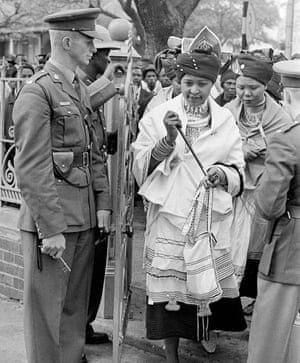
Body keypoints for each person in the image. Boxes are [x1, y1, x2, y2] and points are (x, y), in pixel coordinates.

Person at [132, 27, 246, 363]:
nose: (194, 90)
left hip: (209, 218)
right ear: (179, 82)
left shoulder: (225, 120)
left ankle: (205, 334)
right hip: (170, 218)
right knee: (170, 294)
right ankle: (171, 354)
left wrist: (221, 174)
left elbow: (237, 170)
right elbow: (140, 165)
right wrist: (167, 139)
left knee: (205, 289)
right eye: (188, 83)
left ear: (212, 86)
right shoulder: (157, 116)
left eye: (202, 84)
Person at [13, 8, 111, 363]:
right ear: (67, 41)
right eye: (88, 41)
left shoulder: (76, 87)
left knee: (73, 312)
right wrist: (50, 228)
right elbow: (31, 167)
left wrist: (103, 204)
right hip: (53, 223)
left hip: (82, 218)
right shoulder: (38, 92)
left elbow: (93, 151)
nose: (93, 47)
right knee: (46, 317)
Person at [226, 54, 292, 312]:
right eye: (241, 87)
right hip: (234, 190)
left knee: (259, 246)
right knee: (231, 244)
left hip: (265, 192)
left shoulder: (281, 117)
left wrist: (266, 148)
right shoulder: (227, 113)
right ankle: (227, 301)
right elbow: (215, 146)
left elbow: (288, 150)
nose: (246, 93)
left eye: (252, 88)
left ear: (265, 86)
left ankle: (255, 299)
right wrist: (239, 149)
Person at [247, 59, 300, 363]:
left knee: (270, 341)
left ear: (288, 97)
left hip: (289, 247)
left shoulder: (286, 140)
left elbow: (268, 206)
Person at [78, 23, 119, 346]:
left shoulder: (90, 85)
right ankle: (75, 333)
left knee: (94, 267)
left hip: (96, 187)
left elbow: (95, 141)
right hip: (83, 191)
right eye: (104, 53)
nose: (106, 59)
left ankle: (84, 324)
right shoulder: (78, 87)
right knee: (81, 272)